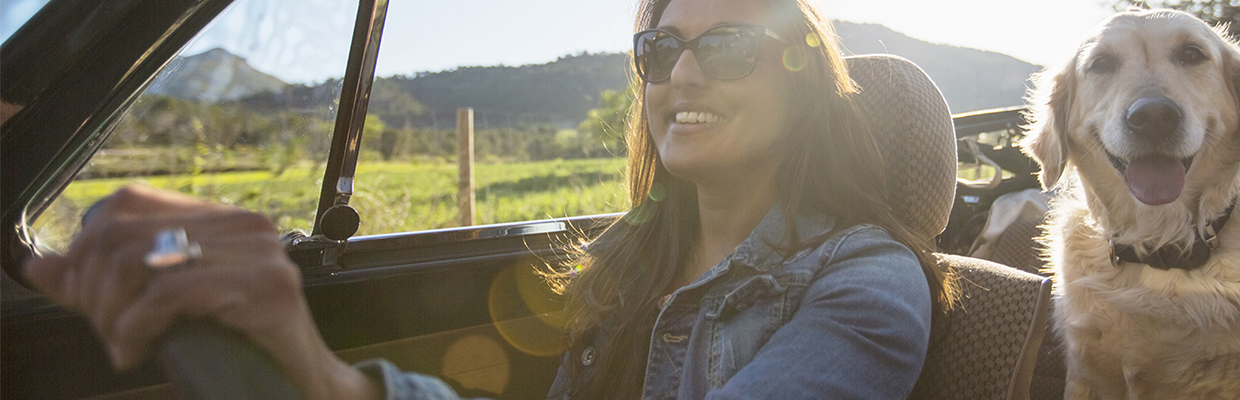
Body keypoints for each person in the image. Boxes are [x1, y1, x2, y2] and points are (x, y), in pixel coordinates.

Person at [22, 0, 957, 398]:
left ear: (802, 87)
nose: (681, 72)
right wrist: (327, 375)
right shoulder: (630, 257)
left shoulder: (868, 285)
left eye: (727, 46)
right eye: (659, 50)